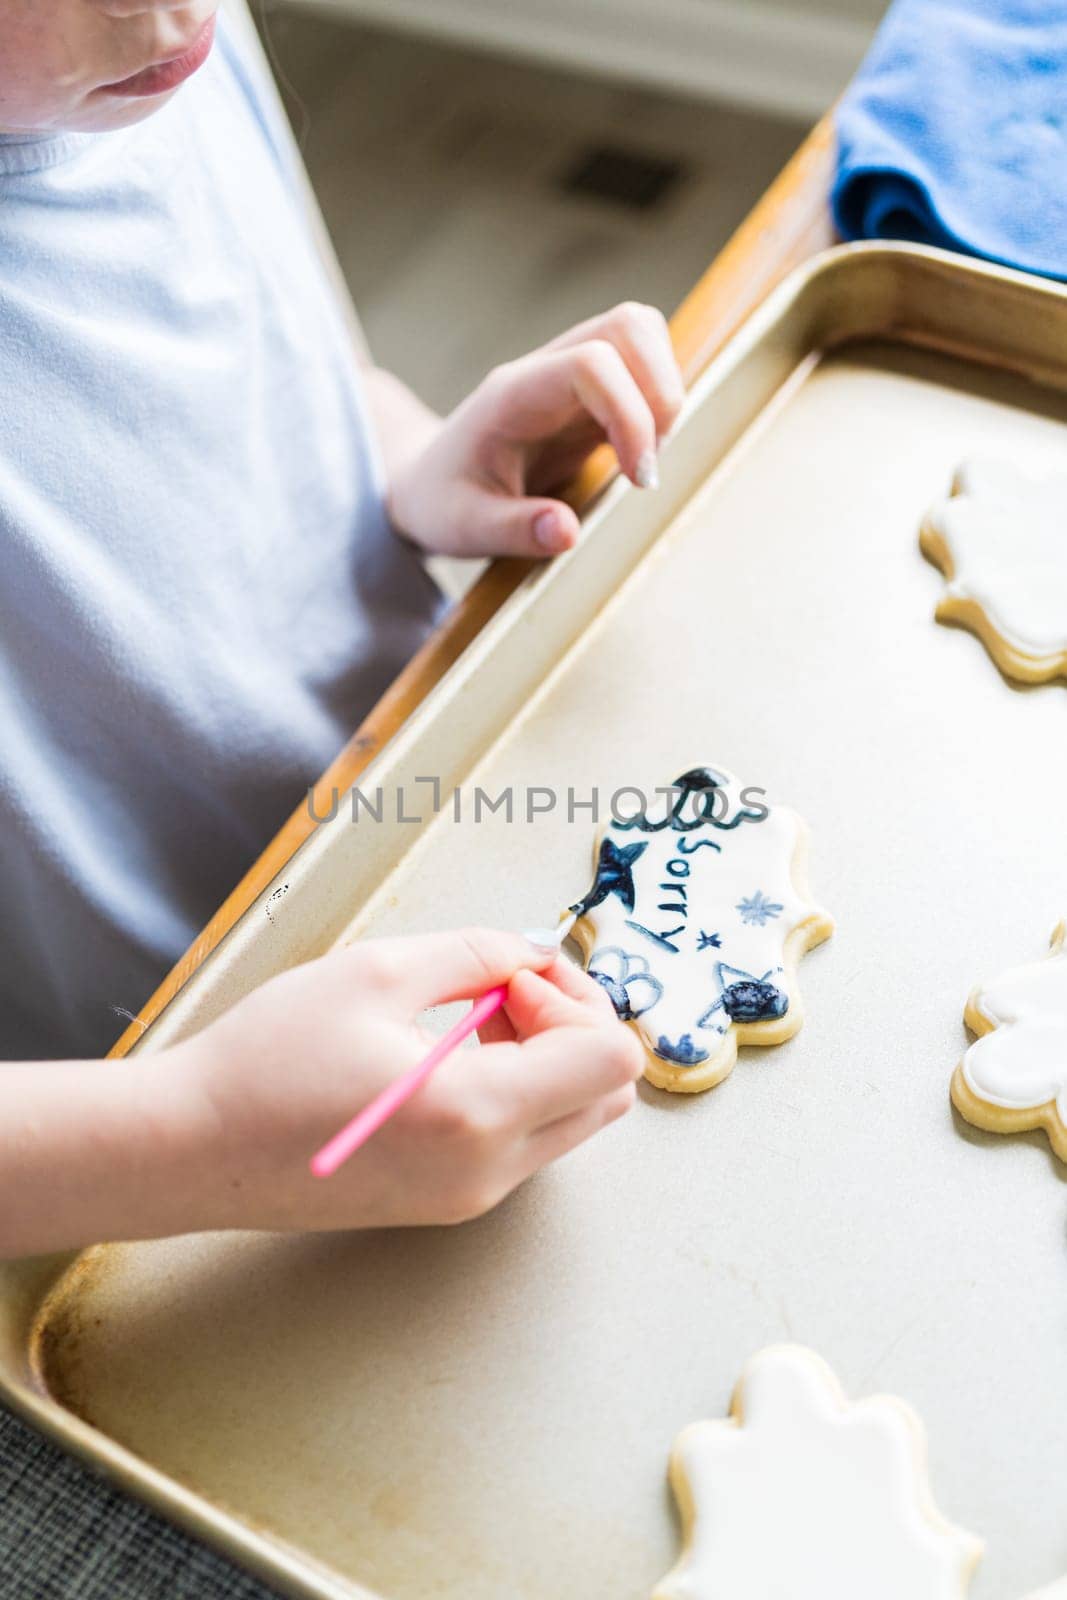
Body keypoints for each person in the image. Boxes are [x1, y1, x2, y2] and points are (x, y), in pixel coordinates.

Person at [0, 0, 684, 1257]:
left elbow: (289, 371)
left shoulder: (159, 57)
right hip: (145, 1171)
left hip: (431, 828)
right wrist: (191, 1125)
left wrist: (412, 466)